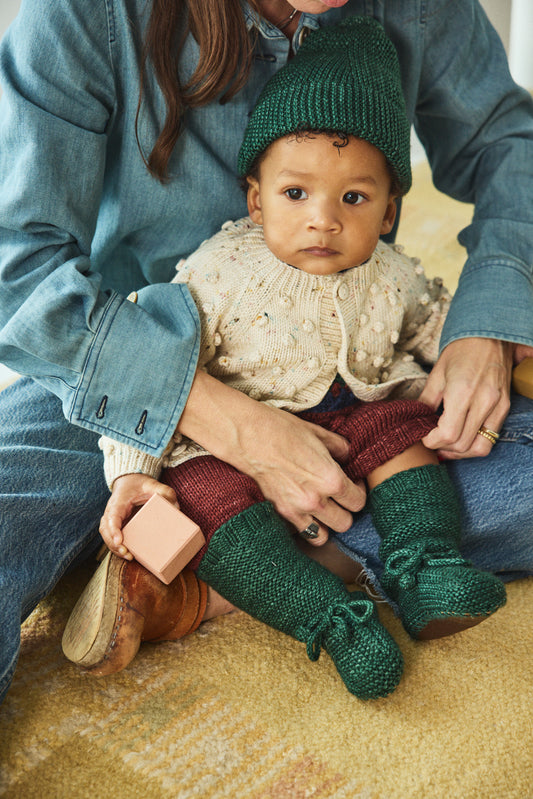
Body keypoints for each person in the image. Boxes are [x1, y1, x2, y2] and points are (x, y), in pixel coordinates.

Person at [0, 0, 532, 705]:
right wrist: (231, 424)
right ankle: (260, 549)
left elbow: (507, 143)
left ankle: (211, 579)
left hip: (354, 374)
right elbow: (20, 268)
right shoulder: (82, 14)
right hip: (119, 365)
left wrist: (485, 321)